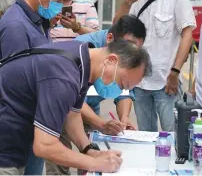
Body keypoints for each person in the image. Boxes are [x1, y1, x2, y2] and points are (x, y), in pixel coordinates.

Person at [0, 39, 152, 175]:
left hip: (16, 136)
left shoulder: (82, 59)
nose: (117, 91)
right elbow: (44, 145)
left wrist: (89, 150)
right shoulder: (64, 75)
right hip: (6, 142)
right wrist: (96, 164)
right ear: (111, 60)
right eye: (121, 84)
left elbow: (72, 115)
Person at [45, 14, 147, 175]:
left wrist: (124, 119)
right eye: (128, 47)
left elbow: (74, 111)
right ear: (110, 39)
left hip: (76, 109)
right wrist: (99, 127)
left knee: (88, 153)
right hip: (49, 115)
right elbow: (46, 144)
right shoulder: (77, 56)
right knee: (60, 159)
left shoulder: (116, 58)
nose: (131, 54)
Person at [0, 0, 73, 175]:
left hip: (32, 128)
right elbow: (14, 88)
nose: (60, 6)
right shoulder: (15, 26)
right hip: (14, 137)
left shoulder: (37, 21)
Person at [113, 0, 196, 132]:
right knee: (145, 136)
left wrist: (175, 72)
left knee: (173, 136)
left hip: (166, 83)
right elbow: (116, 30)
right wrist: (127, 3)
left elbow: (187, 35)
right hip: (140, 82)